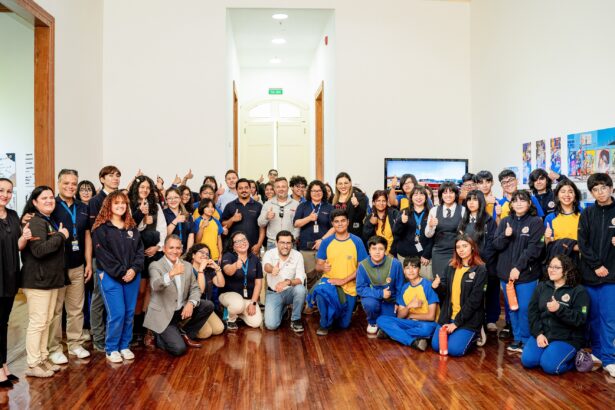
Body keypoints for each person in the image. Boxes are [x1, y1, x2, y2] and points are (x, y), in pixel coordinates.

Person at [21, 186, 68, 377]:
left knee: (46, 321)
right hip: (37, 281)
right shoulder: (35, 222)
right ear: (34, 202)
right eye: (44, 198)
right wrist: (61, 236)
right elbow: (39, 250)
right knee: (38, 322)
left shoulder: (47, 221)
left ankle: (42, 358)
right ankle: (33, 364)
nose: (49, 200)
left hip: (50, 280)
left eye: (51, 197)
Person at [92, 190, 144, 363]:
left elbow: (139, 252)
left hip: (132, 276)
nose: (121, 206)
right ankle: (111, 348)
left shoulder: (132, 227)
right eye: (116, 203)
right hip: (110, 276)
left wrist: (134, 270)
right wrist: (122, 272)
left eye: (123, 203)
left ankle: (124, 345)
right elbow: (103, 256)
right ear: (109, 206)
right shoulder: (101, 229)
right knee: (117, 313)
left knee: (129, 313)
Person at [48, 170, 92, 364]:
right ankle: (54, 348)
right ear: (58, 183)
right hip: (57, 266)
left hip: (77, 265)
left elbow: (87, 236)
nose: (70, 186)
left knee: (76, 308)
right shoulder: (51, 205)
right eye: (66, 183)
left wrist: (88, 262)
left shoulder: (83, 207)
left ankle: (74, 344)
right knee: (56, 310)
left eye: (73, 183)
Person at [493, 190, 545, 353]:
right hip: (505, 274)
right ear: (511, 204)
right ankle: (517, 339)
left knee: (524, 308)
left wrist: (518, 267)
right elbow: (496, 245)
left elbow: (534, 248)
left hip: (526, 274)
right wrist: (505, 236)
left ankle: (527, 339)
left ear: (529, 204)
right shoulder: (505, 221)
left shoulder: (536, 222)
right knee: (512, 308)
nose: (519, 203)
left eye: (523, 200)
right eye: (515, 201)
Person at [145, 235, 214, 356]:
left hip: (179, 311)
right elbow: (155, 285)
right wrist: (171, 274)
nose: (175, 251)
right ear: (164, 249)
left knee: (207, 305)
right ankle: (158, 335)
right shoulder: (155, 265)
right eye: (171, 248)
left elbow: (195, 288)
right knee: (179, 349)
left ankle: (183, 334)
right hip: (164, 314)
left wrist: (191, 303)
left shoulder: (187, 265)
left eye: (178, 248)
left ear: (182, 250)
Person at [522, 255, 589, 375]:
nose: (551, 270)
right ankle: (550, 353)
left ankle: (575, 360)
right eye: (550, 266)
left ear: (566, 270)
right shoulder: (542, 286)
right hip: (544, 335)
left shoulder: (579, 291)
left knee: (550, 367)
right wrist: (538, 334)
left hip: (567, 339)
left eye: (556, 267)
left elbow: (580, 319)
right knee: (528, 361)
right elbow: (533, 312)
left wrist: (559, 309)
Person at [577, 173, 615, 377]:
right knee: (592, 317)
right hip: (590, 274)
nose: (600, 192)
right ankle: (599, 353)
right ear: (591, 192)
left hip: (612, 275)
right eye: (595, 189)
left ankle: (610, 357)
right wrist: (596, 265)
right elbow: (582, 243)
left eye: (603, 187)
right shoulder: (587, 213)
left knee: (609, 318)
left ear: (611, 188)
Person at [312, 209, 368, 336]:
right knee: (321, 293)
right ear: (332, 224)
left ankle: (336, 314)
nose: (340, 224)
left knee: (344, 325)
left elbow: (362, 268)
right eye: (336, 221)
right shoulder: (326, 242)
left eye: (343, 220)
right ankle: (324, 322)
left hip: (349, 286)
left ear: (348, 222)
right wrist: (322, 267)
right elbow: (318, 266)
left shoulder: (357, 241)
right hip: (330, 283)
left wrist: (343, 280)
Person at [431, 235, 488, 356]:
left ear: (472, 247)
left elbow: (475, 301)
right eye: (458, 247)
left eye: (464, 246)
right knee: (436, 346)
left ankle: (476, 334)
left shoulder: (481, 269)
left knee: (454, 350)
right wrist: (437, 287)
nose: (461, 250)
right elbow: (444, 293)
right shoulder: (451, 266)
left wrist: (456, 323)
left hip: (467, 319)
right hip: (448, 316)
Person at [129, 175, 166, 344]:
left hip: (155, 253)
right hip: (138, 254)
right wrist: (142, 216)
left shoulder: (157, 206)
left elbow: (162, 230)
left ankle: (147, 328)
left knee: (152, 291)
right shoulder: (129, 205)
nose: (144, 190)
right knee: (140, 291)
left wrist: (157, 246)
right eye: (141, 187)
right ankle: (135, 327)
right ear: (136, 189)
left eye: (147, 188)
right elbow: (131, 230)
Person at [88, 165, 121, 352]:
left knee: (115, 299)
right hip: (101, 257)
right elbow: (95, 232)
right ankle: (98, 338)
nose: (115, 178)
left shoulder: (119, 199)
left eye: (117, 176)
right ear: (102, 179)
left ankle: (113, 336)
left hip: (119, 257)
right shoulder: (95, 201)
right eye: (110, 176)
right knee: (99, 298)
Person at [0, 178, 30, 385]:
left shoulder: (12, 215)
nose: (5, 194)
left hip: (10, 277)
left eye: (9, 191)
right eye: (1, 190)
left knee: (4, 324)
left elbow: (18, 246)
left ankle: (4, 366)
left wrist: (25, 236)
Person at [376, 256, 439, 351]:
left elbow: (431, 317)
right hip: (409, 323)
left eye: (414, 267)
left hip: (427, 324)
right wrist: (409, 306)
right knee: (381, 319)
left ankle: (391, 334)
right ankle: (413, 341)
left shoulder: (428, 286)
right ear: (404, 271)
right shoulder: (405, 288)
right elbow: (400, 316)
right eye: (407, 268)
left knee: (426, 329)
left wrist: (410, 315)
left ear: (419, 269)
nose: (411, 270)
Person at [458, 190, 499, 333]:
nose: (471, 202)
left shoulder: (489, 221)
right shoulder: (463, 221)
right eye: (469, 199)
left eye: (475, 199)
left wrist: (479, 261)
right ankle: (476, 321)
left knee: (491, 292)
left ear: (481, 202)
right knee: (474, 294)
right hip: (469, 265)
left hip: (487, 264)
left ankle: (491, 320)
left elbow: (492, 245)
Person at [356, 236, 404, 334]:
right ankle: (372, 321)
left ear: (385, 251)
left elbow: (400, 286)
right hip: (372, 298)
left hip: (391, 300)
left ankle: (382, 320)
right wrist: (380, 293)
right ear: (369, 250)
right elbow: (360, 288)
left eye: (381, 249)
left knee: (388, 323)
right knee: (370, 304)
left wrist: (399, 303)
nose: (377, 252)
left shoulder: (395, 263)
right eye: (374, 249)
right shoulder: (363, 265)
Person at [293, 180, 334, 291]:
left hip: (324, 247)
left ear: (323, 192)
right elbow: (296, 223)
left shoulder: (329, 207)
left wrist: (322, 240)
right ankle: (312, 304)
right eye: (314, 190)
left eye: (319, 190)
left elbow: (334, 227)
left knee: (324, 276)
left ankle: (322, 303)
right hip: (306, 249)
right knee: (310, 277)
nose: (317, 193)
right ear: (309, 192)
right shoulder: (303, 206)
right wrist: (309, 218)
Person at [262, 231, 307, 332]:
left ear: (292, 244)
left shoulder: (298, 255)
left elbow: (300, 279)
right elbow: (266, 266)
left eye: (288, 243)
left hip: (290, 291)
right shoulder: (269, 253)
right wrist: (272, 269)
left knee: (300, 289)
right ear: (276, 243)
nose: (285, 246)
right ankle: (283, 309)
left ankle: (295, 319)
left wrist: (287, 282)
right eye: (282, 242)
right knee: (271, 326)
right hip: (274, 293)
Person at [220, 231, 263, 329]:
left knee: (255, 323)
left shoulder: (254, 259)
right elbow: (228, 271)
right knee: (237, 304)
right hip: (229, 295)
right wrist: (235, 265)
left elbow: (258, 284)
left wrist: (253, 303)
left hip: (247, 299)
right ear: (233, 246)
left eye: (244, 239)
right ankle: (230, 318)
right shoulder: (228, 256)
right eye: (237, 241)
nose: (242, 243)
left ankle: (237, 313)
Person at [425, 182, 465, 279]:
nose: (448, 195)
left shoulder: (463, 210)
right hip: (439, 252)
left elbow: (466, 234)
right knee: (440, 281)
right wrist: (430, 226)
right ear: (441, 195)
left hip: (457, 252)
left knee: (455, 280)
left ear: (455, 194)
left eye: (451, 192)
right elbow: (428, 235)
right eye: (445, 193)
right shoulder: (434, 210)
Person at [393, 185, 434, 279]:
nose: (418, 197)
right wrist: (401, 222)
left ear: (426, 197)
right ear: (411, 197)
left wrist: (427, 254)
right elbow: (396, 233)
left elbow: (434, 237)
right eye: (415, 195)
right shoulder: (404, 212)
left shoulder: (431, 213)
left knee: (426, 284)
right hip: (405, 257)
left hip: (423, 258)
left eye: (421, 194)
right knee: (406, 285)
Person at [185, 244, 225, 339]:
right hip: (190, 308)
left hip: (206, 307)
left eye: (207, 254)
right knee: (205, 333)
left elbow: (221, 284)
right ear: (193, 255)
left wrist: (217, 269)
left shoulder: (209, 270)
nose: (204, 255)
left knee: (219, 329)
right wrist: (201, 270)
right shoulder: (187, 269)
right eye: (201, 252)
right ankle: (181, 328)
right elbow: (200, 291)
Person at [221, 178, 264, 254]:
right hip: (234, 249)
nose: (244, 190)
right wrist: (232, 219)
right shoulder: (230, 206)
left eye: (246, 188)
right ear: (236, 190)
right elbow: (223, 226)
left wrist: (259, 244)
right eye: (240, 188)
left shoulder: (258, 206)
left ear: (250, 189)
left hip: (253, 248)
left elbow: (262, 228)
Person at [544, 179, 582, 261]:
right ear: (557, 195)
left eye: (570, 191)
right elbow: (548, 244)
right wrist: (547, 237)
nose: (567, 194)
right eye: (563, 191)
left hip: (580, 259)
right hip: (559, 260)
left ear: (575, 195)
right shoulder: (550, 218)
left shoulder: (583, 215)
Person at [258, 177, 300, 250]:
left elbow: (298, 225)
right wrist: (266, 217)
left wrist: (293, 238)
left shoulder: (296, 204)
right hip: (272, 243)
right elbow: (260, 223)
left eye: (283, 186)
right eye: (278, 187)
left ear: (288, 188)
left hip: (290, 243)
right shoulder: (267, 204)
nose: (281, 189)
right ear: (274, 189)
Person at [331, 172, 368, 238]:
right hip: (337, 236)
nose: (343, 186)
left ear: (350, 183)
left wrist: (357, 205)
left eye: (346, 183)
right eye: (340, 183)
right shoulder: (333, 199)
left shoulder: (359, 196)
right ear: (336, 185)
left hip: (354, 236)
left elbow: (361, 216)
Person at [362, 190, 399, 255]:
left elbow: (399, 235)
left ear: (387, 202)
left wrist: (392, 252)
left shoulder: (394, 214)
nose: (381, 203)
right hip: (376, 254)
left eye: (383, 201)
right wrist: (371, 224)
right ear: (373, 202)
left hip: (393, 253)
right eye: (378, 201)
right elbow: (366, 238)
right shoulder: (369, 217)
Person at [163, 188, 195, 252]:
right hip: (170, 251)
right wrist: (176, 220)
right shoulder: (163, 214)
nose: (173, 200)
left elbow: (191, 235)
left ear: (180, 199)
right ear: (166, 200)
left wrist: (188, 253)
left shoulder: (187, 215)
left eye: (176, 197)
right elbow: (164, 235)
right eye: (170, 198)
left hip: (184, 251)